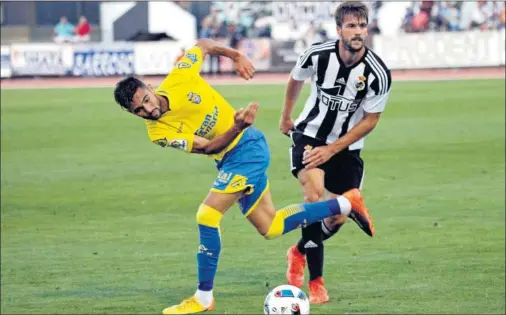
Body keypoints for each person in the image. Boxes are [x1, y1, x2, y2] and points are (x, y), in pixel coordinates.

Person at [113, 38, 374, 314]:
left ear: (150, 88)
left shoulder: (180, 77)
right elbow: (208, 148)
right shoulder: (157, 132)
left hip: (247, 149)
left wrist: (235, 55)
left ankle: (203, 297)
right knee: (271, 227)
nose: (148, 110)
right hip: (230, 155)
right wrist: (236, 126)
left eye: (146, 100)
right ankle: (346, 204)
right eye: (138, 110)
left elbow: (201, 45)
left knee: (207, 215)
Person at [279, 1, 392, 304]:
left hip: (346, 146)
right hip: (310, 135)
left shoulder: (378, 73)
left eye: (363, 26)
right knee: (314, 198)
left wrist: (332, 150)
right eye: (352, 26)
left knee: (338, 217)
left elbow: (371, 120)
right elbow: (295, 78)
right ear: (339, 29)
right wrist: (286, 117)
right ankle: (316, 283)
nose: (358, 32)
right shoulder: (318, 54)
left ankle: (299, 250)